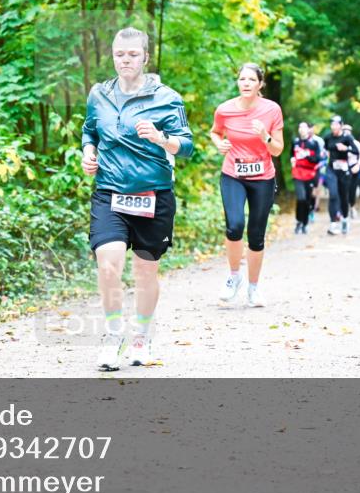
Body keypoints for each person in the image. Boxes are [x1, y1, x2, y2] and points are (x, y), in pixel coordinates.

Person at [81, 27, 194, 371]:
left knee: (145, 272)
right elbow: (89, 129)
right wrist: (88, 151)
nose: (125, 60)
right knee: (108, 263)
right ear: (112, 55)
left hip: (153, 196)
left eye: (132, 54)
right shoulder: (99, 94)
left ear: (145, 57)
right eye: (119, 54)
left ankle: (141, 336)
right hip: (110, 192)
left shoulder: (167, 97)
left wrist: (161, 138)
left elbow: (187, 146)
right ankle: (114, 333)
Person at [209, 63, 284, 307]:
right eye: (242, 79)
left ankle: (253, 287)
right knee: (234, 225)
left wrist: (265, 136)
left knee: (256, 235)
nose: (246, 83)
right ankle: (233, 276)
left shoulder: (272, 110)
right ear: (238, 82)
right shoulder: (225, 109)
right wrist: (218, 143)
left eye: (252, 79)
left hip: (262, 177)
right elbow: (215, 132)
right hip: (233, 173)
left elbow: (278, 149)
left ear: (260, 84)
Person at [322, 115, 358, 235]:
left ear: (341, 126)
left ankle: (345, 219)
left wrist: (346, 148)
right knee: (333, 194)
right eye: (332, 124)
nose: (334, 127)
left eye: (336, 124)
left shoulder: (347, 137)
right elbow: (326, 148)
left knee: (344, 196)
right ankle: (333, 223)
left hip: (344, 170)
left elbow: (356, 151)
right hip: (331, 169)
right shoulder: (328, 137)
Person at [290, 121, 322, 234]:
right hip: (298, 173)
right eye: (300, 127)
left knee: (308, 199)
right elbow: (291, 154)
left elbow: (318, 159)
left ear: (308, 129)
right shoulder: (295, 141)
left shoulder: (314, 143)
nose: (301, 129)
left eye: (304, 127)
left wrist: (307, 156)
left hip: (310, 175)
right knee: (301, 198)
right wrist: (292, 160)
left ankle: (305, 223)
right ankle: (298, 221)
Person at [342, 123, 360, 220]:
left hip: (354, 168)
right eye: (344, 131)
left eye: (348, 131)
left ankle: (351, 206)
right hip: (342, 168)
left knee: (352, 190)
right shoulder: (339, 142)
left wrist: (358, 165)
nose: (346, 132)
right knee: (342, 189)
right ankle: (342, 209)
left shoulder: (356, 143)